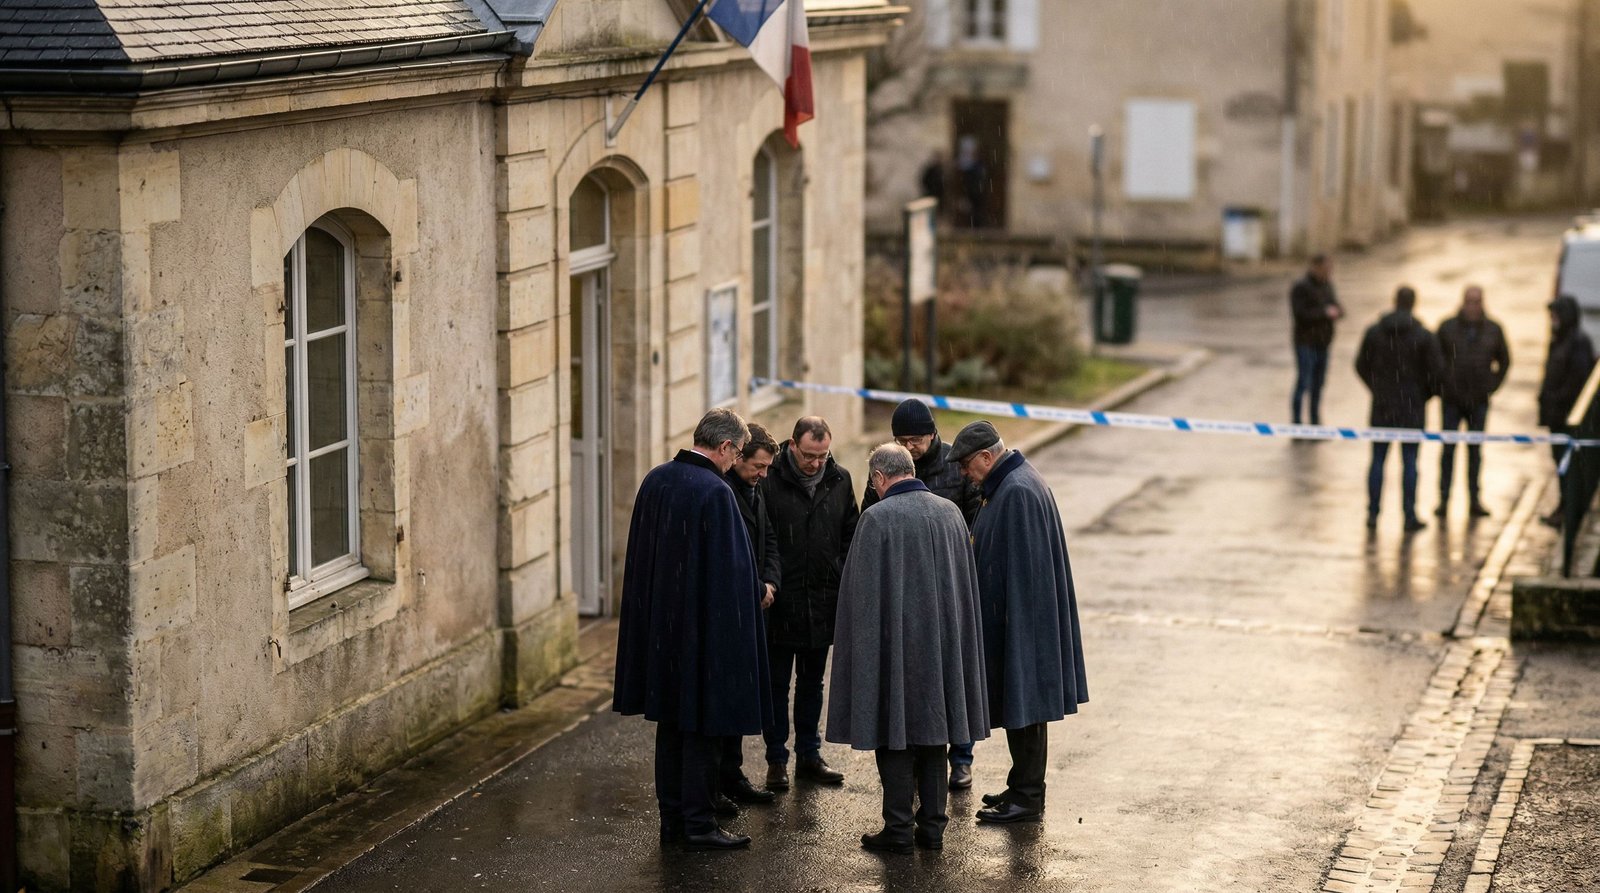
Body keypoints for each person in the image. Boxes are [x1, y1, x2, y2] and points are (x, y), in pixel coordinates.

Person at [612, 408, 771, 851]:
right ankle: (699, 824)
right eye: (738, 453)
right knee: (702, 730)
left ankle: (672, 820)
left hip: (662, 631)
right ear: (724, 448)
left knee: (672, 727)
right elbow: (733, 574)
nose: (736, 461)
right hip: (703, 635)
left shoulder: (656, 479)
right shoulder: (715, 492)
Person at [827, 444, 989, 854]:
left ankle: (898, 829)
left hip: (893, 647)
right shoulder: (950, 513)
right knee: (935, 736)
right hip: (940, 649)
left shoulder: (876, 519)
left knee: (893, 734)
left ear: (879, 478)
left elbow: (859, 597)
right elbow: (964, 587)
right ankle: (932, 829)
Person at [950, 421, 1089, 825]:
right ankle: (1022, 784)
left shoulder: (1018, 492)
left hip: (1022, 624)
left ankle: (1028, 797)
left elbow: (1026, 573)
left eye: (966, 465)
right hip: (1018, 621)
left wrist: (1015, 632)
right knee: (1022, 706)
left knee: (1026, 707)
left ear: (986, 457)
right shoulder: (1011, 485)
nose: (963, 473)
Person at [861, 398, 982, 788]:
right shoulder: (886, 469)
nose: (909, 446)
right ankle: (916, 755)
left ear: (932, 435)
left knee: (952, 670)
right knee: (916, 677)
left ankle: (960, 757)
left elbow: (974, 520)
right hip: (903, 586)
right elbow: (870, 517)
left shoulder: (955, 465)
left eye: (915, 439)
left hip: (948, 581)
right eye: (902, 439)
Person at [762, 416, 860, 790]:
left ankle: (809, 755)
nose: (816, 463)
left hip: (821, 601)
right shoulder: (770, 479)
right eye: (808, 456)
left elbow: (851, 532)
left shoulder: (840, 479)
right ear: (792, 445)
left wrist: (837, 571)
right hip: (782, 602)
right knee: (776, 686)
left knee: (812, 684)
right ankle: (776, 759)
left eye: (822, 456)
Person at [718, 423, 783, 806]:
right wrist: (758, 587)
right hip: (736, 610)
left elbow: (769, 540)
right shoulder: (724, 492)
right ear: (738, 456)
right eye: (758, 466)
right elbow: (731, 557)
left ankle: (732, 772)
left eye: (767, 468)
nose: (762, 474)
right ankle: (718, 780)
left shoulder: (755, 491)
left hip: (757, 605)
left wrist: (771, 581)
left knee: (742, 696)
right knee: (726, 699)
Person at [1355, 286, 1444, 532]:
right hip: (1411, 408)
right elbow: (1437, 374)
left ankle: (1373, 514)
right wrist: (1421, 395)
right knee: (1410, 463)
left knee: (1377, 461)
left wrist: (1378, 388)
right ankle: (1409, 515)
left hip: (1382, 407)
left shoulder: (1375, 332)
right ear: (1413, 303)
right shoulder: (1423, 336)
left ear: (1394, 301)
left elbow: (1361, 365)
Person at [1434, 286, 1510, 519]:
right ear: (1463, 302)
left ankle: (1474, 499)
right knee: (1448, 451)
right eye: (1469, 301)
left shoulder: (1493, 330)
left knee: (1475, 451)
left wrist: (1491, 386)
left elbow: (1504, 361)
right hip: (1452, 401)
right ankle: (1444, 499)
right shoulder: (1447, 328)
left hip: (1478, 401)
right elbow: (1435, 360)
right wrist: (1443, 386)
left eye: (1477, 302)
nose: (1473, 306)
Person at [1539, 295, 1597, 526]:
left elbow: (1577, 380)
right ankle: (1565, 507)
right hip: (1556, 415)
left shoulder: (1577, 343)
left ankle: (1569, 511)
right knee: (1562, 464)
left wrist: (1556, 399)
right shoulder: (1561, 340)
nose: (1552, 319)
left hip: (1565, 417)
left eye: (1555, 315)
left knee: (1568, 465)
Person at [1289, 254, 1345, 425]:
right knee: (1304, 382)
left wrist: (1336, 312)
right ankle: (1297, 423)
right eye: (1326, 269)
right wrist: (1324, 313)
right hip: (1305, 343)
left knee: (1318, 385)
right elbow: (1300, 314)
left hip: (1323, 342)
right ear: (1315, 267)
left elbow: (1339, 308)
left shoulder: (1327, 285)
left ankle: (1315, 422)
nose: (1328, 273)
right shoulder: (1301, 287)